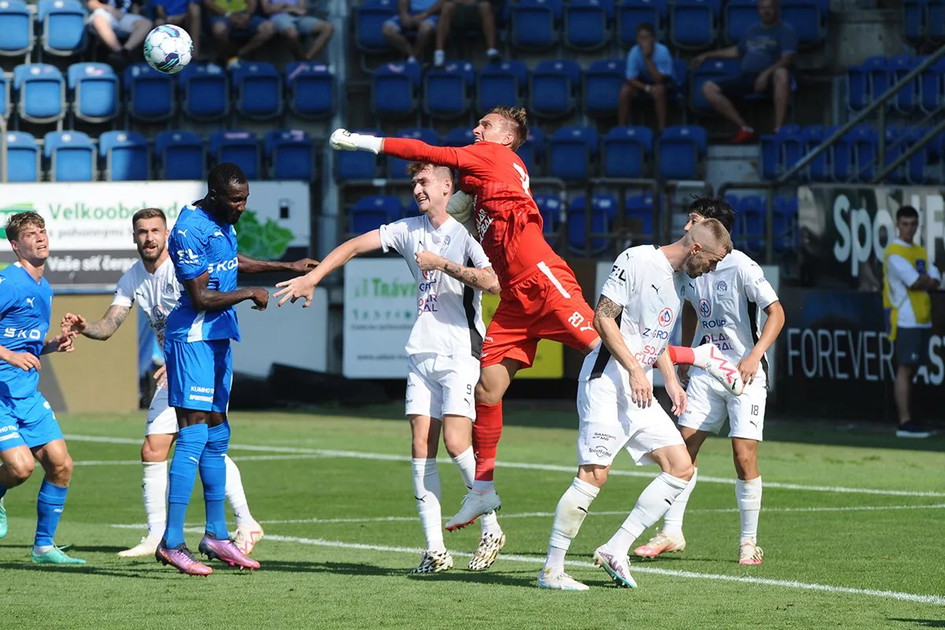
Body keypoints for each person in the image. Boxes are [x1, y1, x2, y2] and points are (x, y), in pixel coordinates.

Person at [276, 108, 744, 532]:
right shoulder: (484, 183)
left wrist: (361, 141)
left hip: (541, 278)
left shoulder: (491, 158)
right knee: (488, 389)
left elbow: (425, 151)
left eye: (486, 125)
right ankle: (482, 491)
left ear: (507, 137)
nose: (476, 130)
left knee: (610, 345)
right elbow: (460, 201)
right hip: (515, 297)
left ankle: (700, 357)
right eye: (478, 126)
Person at [277, 162, 508, 573]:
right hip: (421, 350)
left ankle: (490, 525)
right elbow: (350, 246)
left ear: (446, 187)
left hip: (460, 351)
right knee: (421, 447)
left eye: (424, 182)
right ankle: (435, 550)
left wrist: (443, 264)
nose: (417, 188)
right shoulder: (406, 229)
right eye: (414, 182)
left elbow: (493, 283)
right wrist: (314, 278)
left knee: (457, 442)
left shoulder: (465, 235)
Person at [537, 219, 734, 590]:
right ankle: (552, 569)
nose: (711, 268)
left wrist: (671, 381)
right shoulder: (638, 259)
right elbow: (603, 317)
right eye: (711, 261)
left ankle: (616, 548)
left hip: (638, 387)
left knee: (681, 467)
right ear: (695, 249)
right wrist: (635, 371)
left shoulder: (681, 280)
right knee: (594, 475)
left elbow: (654, 338)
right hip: (607, 382)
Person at [60, 208, 265, 559]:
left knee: (198, 444)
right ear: (134, 237)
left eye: (155, 230)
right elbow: (109, 326)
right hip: (175, 367)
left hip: (194, 362)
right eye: (142, 232)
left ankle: (243, 523)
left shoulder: (181, 268)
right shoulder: (133, 278)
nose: (149, 238)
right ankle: (160, 535)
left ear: (167, 234)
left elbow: (221, 281)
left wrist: (181, 361)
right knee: (158, 449)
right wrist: (85, 327)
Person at [153, 163, 316, 575]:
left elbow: (231, 261)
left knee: (217, 435)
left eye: (245, 200)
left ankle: (216, 535)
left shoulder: (221, 220)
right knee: (191, 436)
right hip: (191, 338)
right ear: (214, 195)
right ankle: (171, 542)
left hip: (218, 339)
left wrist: (288, 267)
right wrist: (250, 294)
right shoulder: (188, 229)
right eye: (235, 201)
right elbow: (202, 296)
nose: (241, 207)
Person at [633, 197, 785, 566]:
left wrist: (753, 356)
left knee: (743, 456)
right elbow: (687, 310)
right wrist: (686, 356)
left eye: (695, 219)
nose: (688, 224)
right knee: (682, 453)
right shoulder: (688, 268)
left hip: (743, 374)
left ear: (713, 229)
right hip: (704, 370)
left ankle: (748, 542)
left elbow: (776, 313)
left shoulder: (742, 266)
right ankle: (672, 532)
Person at [0, 211, 84, 565]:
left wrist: (51, 346)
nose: (40, 237)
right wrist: (8, 355)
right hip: (0, 394)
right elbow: (12, 348)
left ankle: (43, 548)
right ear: (15, 244)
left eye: (43, 231)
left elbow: (26, 343)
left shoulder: (44, 287)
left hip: (26, 394)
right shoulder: (9, 282)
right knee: (20, 469)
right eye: (31, 234)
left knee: (61, 464)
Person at [690, 0, 796, 143]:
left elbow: (787, 58)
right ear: (758, 11)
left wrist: (766, 74)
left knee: (782, 73)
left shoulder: (785, 29)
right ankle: (745, 128)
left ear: (777, 9)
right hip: (748, 77)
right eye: (763, 8)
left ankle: (778, 130)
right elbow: (737, 51)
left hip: (772, 78)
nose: (766, 11)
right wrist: (707, 54)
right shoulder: (752, 30)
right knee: (708, 88)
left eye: (770, 8)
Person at [882, 205, 940, 439]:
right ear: (897, 225)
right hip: (905, 317)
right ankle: (904, 421)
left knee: (912, 369)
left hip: (922, 317)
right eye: (905, 224)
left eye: (913, 224)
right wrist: (926, 280)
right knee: (905, 368)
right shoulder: (894, 253)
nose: (909, 228)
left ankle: (910, 418)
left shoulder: (920, 251)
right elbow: (916, 281)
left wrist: (924, 280)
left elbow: (936, 279)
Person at [618, 22, 676, 131]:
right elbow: (631, 79)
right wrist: (648, 88)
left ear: (653, 38)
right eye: (640, 38)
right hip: (643, 82)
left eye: (646, 37)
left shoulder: (663, 51)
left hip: (664, 82)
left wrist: (647, 58)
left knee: (659, 90)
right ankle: (621, 128)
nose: (643, 41)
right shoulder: (634, 52)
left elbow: (659, 79)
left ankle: (662, 130)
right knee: (625, 90)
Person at [203, 0, 276, 67]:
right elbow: (208, 3)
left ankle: (238, 54)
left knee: (269, 28)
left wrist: (247, 15)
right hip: (221, 15)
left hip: (243, 14)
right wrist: (228, 15)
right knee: (219, 30)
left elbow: (252, 2)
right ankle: (225, 56)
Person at [87, 0, 154, 70]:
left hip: (124, 16)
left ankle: (125, 51)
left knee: (146, 23)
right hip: (105, 13)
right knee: (98, 19)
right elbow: (92, 3)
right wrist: (110, 9)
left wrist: (135, 17)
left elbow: (135, 6)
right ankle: (118, 52)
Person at [259, 0, 334, 60]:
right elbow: (267, 9)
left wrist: (283, 6)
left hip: (298, 17)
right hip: (279, 18)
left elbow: (302, 10)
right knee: (292, 34)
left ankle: (307, 58)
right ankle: (299, 58)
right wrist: (290, 7)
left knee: (328, 28)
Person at [433, 0, 500, 67]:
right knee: (447, 6)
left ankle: (491, 51)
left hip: (478, 15)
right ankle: (439, 53)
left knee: (485, 6)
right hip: (458, 15)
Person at [383, 0, 443, 65]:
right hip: (412, 13)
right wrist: (404, 15)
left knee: (425, 29)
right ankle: (412, 55)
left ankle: (413, 58)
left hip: (432, 14)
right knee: (388, 29)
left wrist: (424, 15)